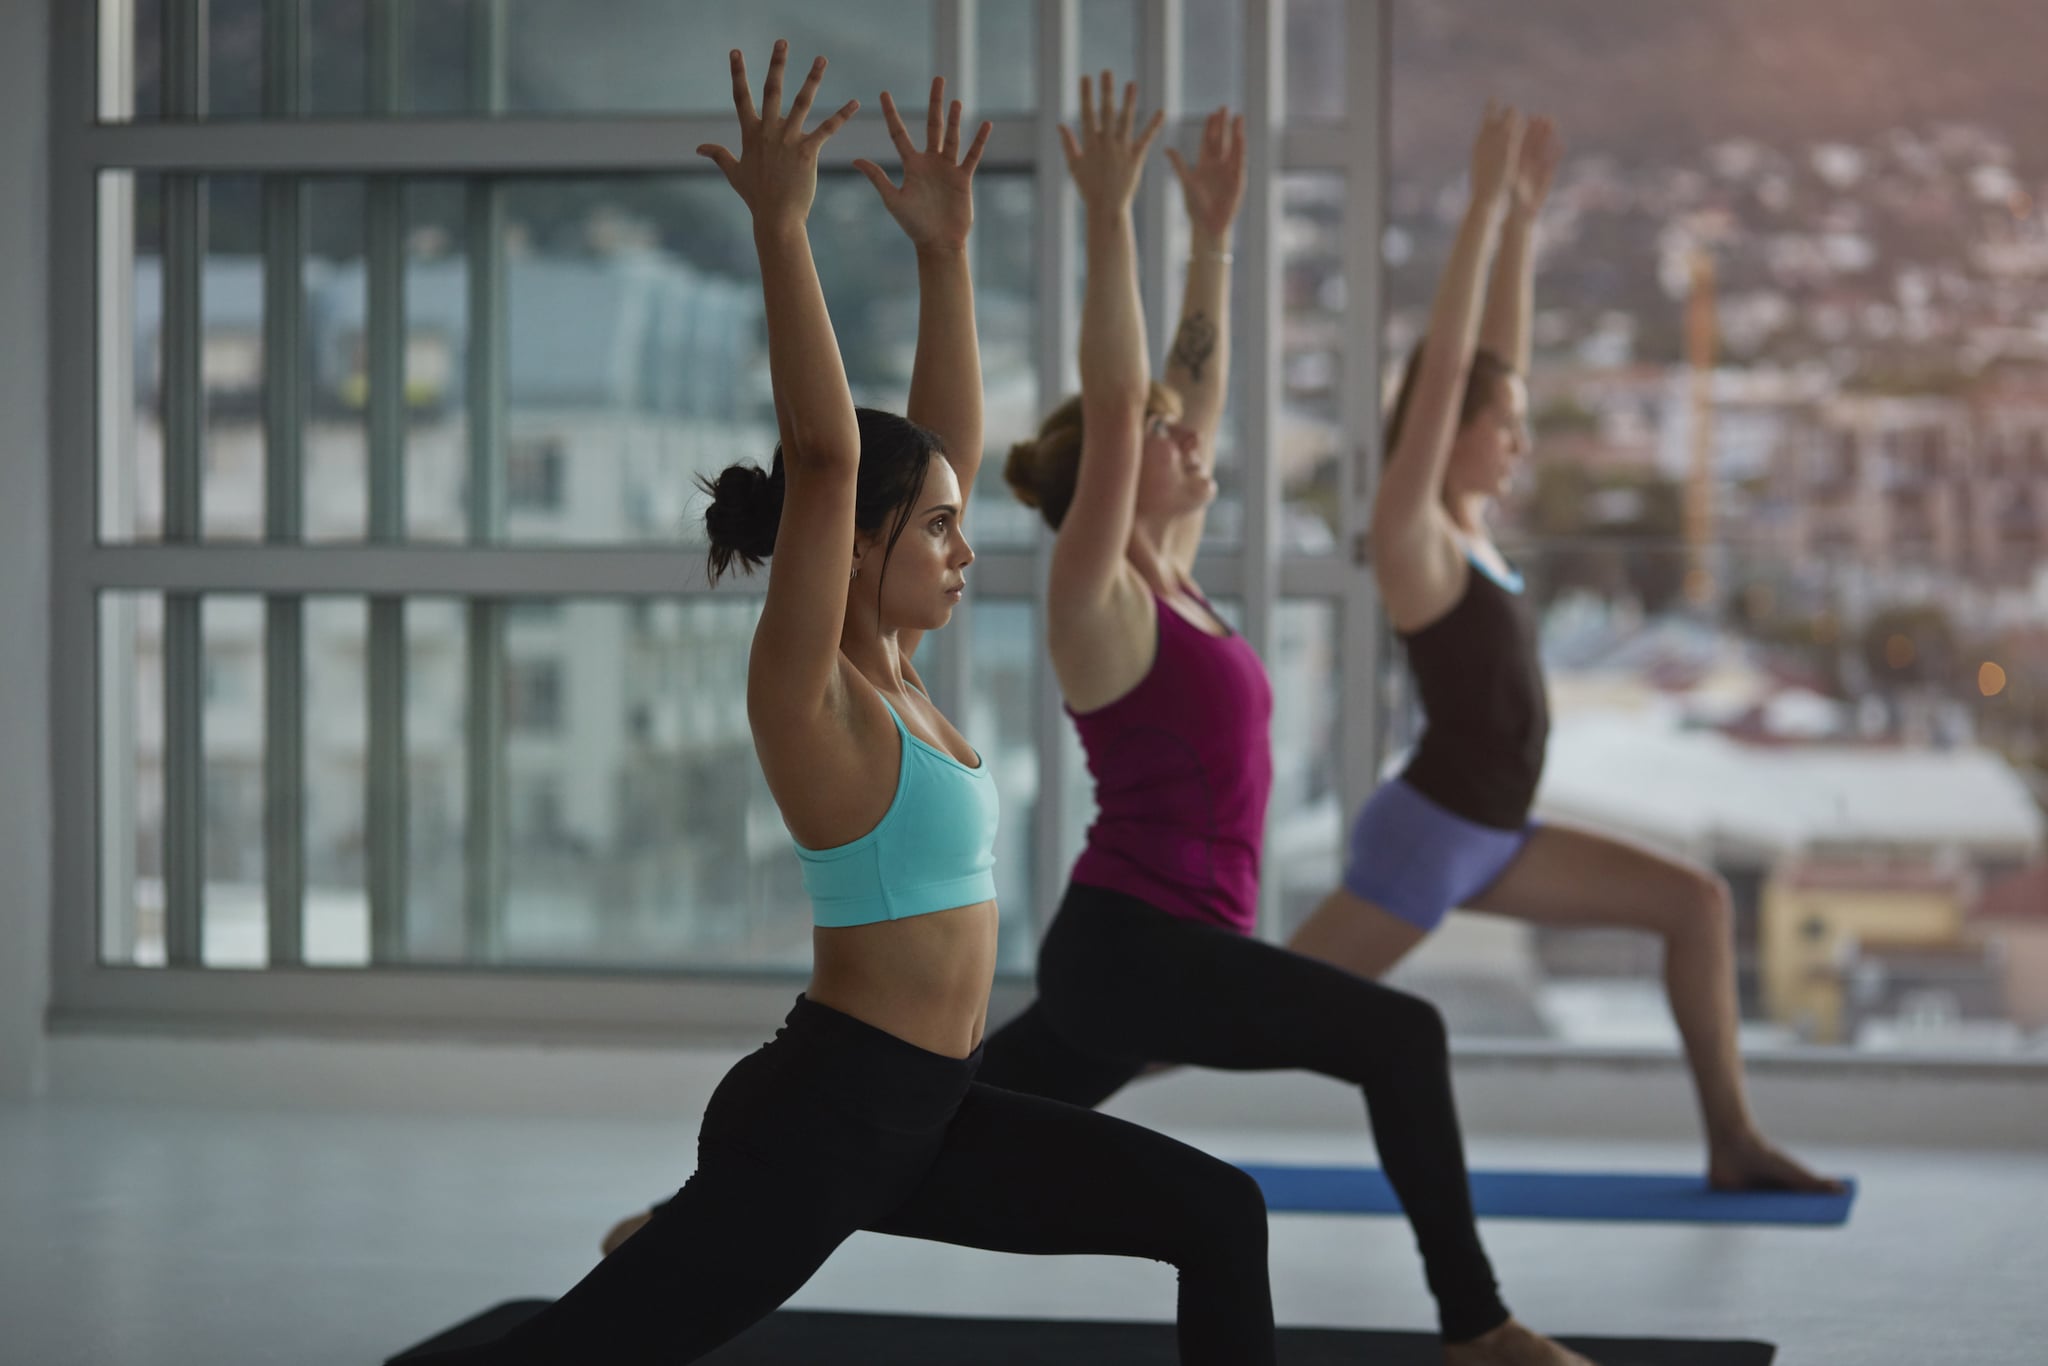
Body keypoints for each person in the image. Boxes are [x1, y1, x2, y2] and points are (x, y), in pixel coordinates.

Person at [412, 45, 1276, 1366]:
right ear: (858, 543)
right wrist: (782, 225)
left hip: (933, 1111)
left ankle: (682, 1235)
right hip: (825, 1120)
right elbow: (830, 457)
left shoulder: (902, 666)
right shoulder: (813, 688)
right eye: (935, 531)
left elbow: (937, 452)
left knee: (1219, 1211)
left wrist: (945, 255)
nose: (966, 546)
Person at [981, 86, 1593, 1366]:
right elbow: (1121, 395)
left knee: (923, 1130)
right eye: (1157, 437)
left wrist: (1211, 233)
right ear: (1111, 464)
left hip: (1149, 958)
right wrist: (1106, 222)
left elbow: (1180, 388)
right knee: (1401, 1036)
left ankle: (720, 1212)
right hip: (1134, 949)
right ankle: (1473, 1321)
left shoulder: (1175, 571)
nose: (1188, 440)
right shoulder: (1095, 595)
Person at [1288, 104, 1841, 1197]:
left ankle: (1730, 1142)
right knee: (1244, 1016)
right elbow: (1449, 365)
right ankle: (1041, 1094)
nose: (1521, 443)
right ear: (1448, 434)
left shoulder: (1477, 530)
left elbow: (1494, 360)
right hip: (1430, 840)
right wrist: (1482, 207)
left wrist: (1524, 228)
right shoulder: (1417, 534)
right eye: (1504, 427)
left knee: (1696, 904)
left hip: (1495, 833)